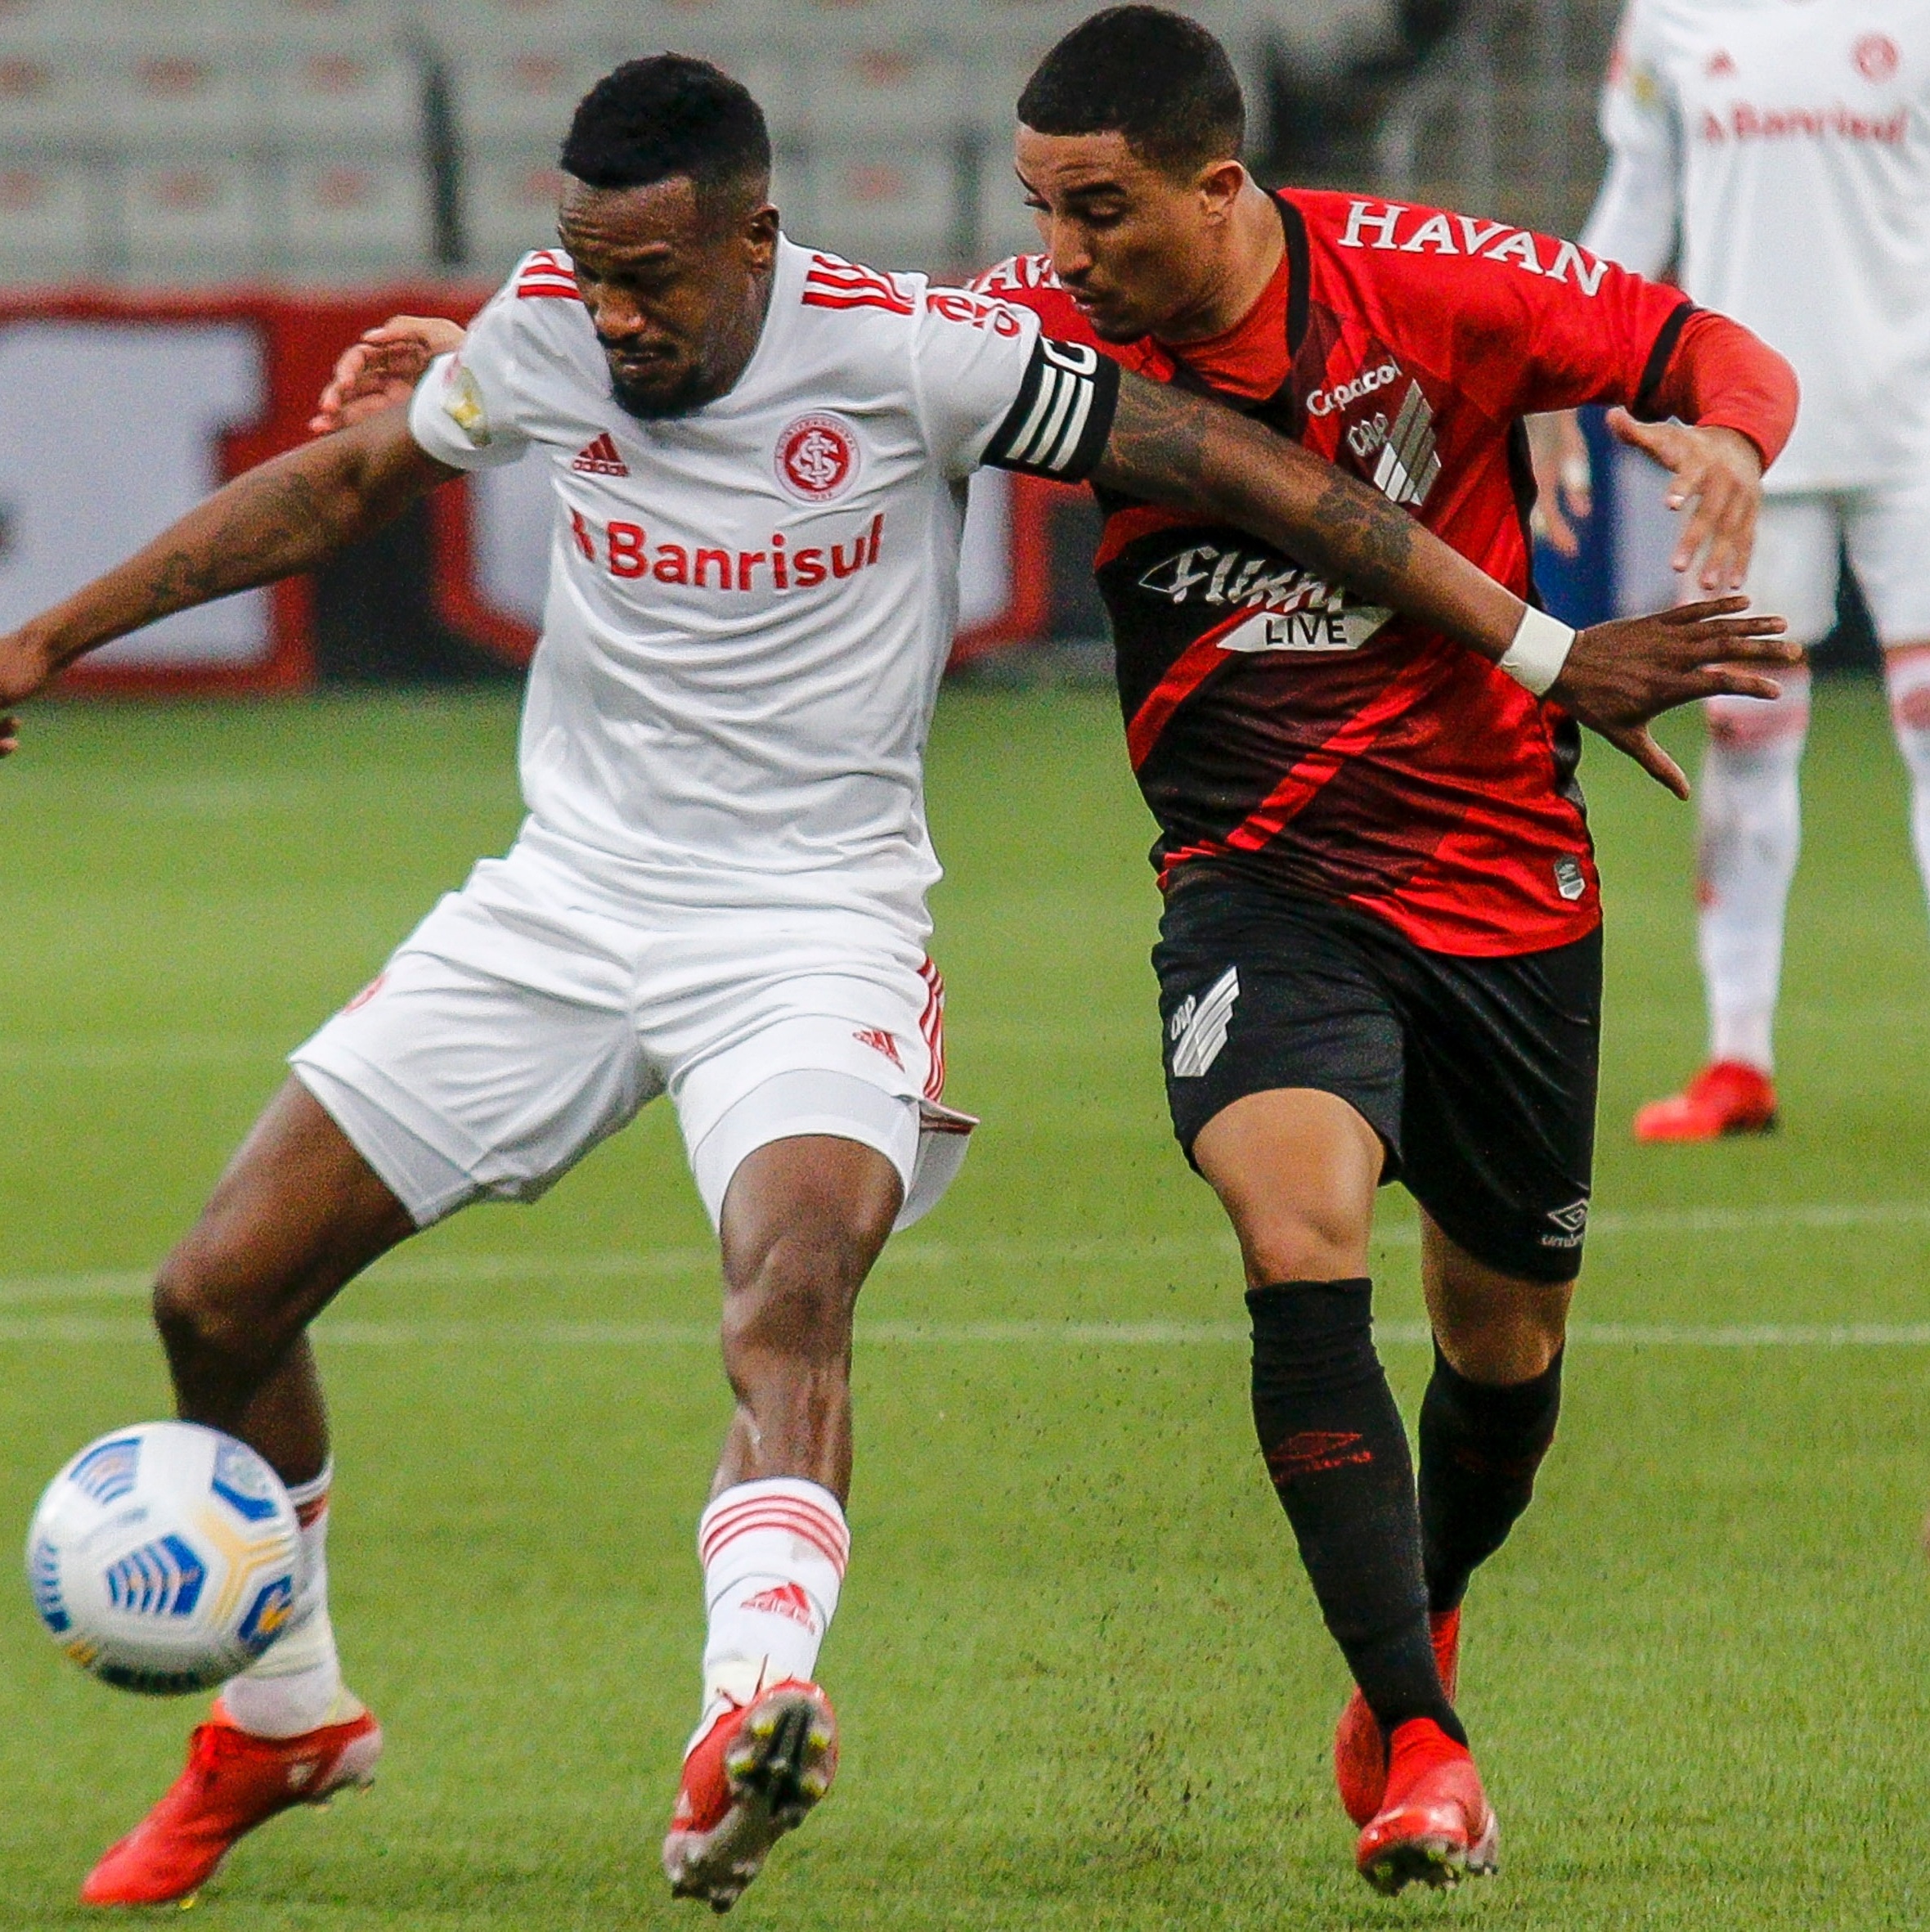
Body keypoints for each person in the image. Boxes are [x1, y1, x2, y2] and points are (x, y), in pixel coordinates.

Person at [0, 53, 1789, 1919]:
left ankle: (749, 1711)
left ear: (756, 241)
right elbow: (346, 478)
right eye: (587, 271)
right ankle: (287, 1714)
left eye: (653, 282)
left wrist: (1538, 640)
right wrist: (45, 634)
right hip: (562, 901)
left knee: (791, 1283)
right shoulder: (546, 329)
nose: (616, 314)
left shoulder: (915, 351)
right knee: (215, 1292)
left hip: (811, 924)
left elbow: (1231, 465)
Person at [958, 2, 1801, 1896]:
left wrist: (1727, 446)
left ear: (1219, 186)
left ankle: (1415, 1625)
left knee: (1501, 1354)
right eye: (1040, 212)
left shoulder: (1431, 278)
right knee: (1293, 1226)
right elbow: (774, 350)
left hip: (1504, 881)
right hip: (1254, 880)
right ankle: (1423, 1737)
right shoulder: (1042, 331)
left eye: (1098, 212)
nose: (1064, 255)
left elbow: (1713, 348)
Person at [1564, 0, 1930, 1140]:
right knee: (1745, 732)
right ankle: (1738, 1056)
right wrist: (1555, 356)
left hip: (1917, 429)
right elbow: (1640, 195)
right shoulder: (1670, 17)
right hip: (1741, 436)